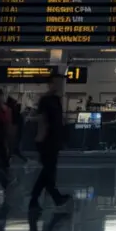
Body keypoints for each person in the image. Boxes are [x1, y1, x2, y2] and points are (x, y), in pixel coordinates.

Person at [30, 73, 72, 212]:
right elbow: (42, 119)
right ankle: (51, 198)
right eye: (57, 83)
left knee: (48, 171)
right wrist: (40, 137)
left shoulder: (56, 100)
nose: (60, 86)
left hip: (54, 140)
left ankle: (43, 199)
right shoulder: (46, 100)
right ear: (50, 84)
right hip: (46, 140)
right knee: (48, 171)